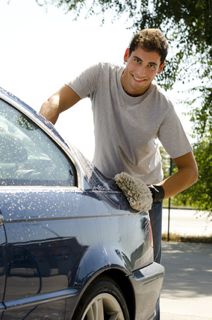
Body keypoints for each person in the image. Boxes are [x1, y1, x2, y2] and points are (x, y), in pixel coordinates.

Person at [40, 28, 198, 319]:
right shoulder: (100, 75)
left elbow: (190, 171)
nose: (141, 71)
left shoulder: (161, 107)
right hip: (103, 189)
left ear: (160, 68)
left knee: (142, 281)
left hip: (145, 197)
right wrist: (43, 131)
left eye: (151, 65)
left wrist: (154, 194)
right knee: (99, 269)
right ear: (126, 56)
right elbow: (56, 100)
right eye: (137, 60)